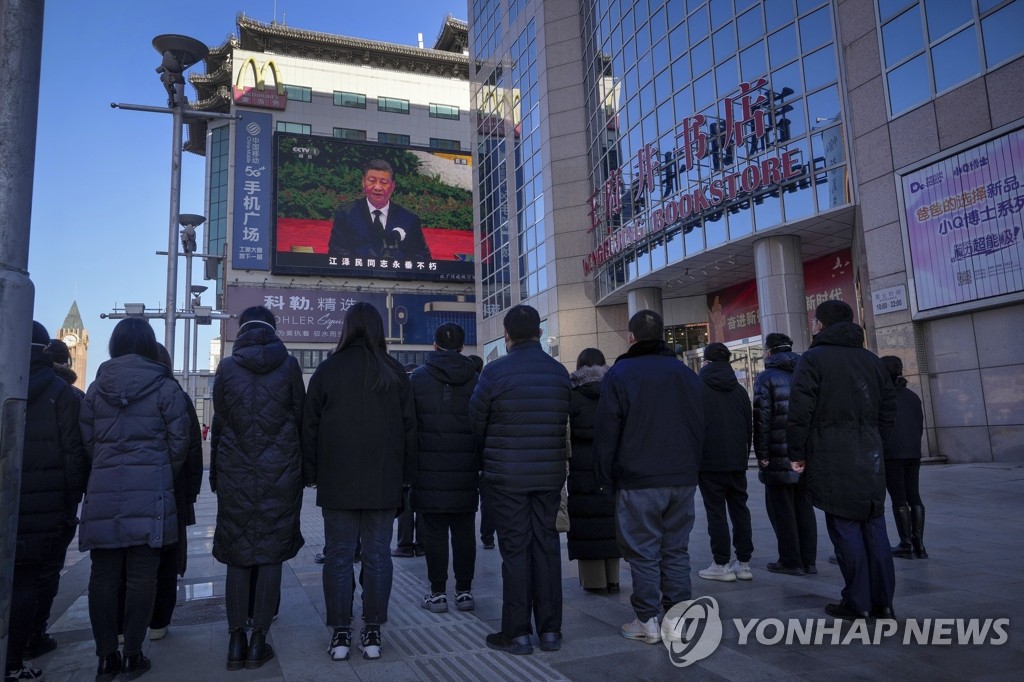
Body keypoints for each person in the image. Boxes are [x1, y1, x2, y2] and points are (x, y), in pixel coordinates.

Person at [78, 318, 191, 681]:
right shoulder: (165, 387)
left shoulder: (95, 389)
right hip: (151, 491)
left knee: (104, 574)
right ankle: (133, 655)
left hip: (103, 492)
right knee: (143, 575)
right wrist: (158, 472)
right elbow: (180, 443)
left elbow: (88, 443)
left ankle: (105, 656)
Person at [303, 302, 416, 662]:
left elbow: (310, 427)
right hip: (384, 483)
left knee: (338, 556)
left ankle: (340, 632)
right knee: (378, 556)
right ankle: (372, 630)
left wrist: (311, 473)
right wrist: (406, 479)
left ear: (347, 328)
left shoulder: (328, 370)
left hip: (337, 482)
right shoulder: (395, 372)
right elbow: (410, 432)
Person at [594, 309, 704, 645]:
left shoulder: (621, 373)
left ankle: (647, 620)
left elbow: (608, 430)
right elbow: (700, 424)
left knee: (642, 551)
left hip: (639, 478)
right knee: (675, 550)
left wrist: (604, 477)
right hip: (682, 477)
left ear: (632, 336)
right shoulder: (685, 373)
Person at [470, 305, 571, 655]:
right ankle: (551, 631)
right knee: (546, 547)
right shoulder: (559, 373)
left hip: (507, 475)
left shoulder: (495, 373)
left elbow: (475, 423)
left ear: (507, 334)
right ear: (539, 333)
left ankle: (517, 633)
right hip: (549, 475)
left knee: (515, 550)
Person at [787, 300, 897, 621]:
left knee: (845, 525)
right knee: (874, 525)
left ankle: (858, 601)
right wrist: (875, 442)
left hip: (831, 456)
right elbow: (889, 409)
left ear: (822, 324)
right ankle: (884, 602)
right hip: (870, 456)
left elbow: (799, 412)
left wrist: (797, 453)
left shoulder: (813, 360)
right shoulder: (872, 361)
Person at [210, 306, 305, 670]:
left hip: (235, 471)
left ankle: (235, 639)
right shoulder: (289, 366)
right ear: (273, 328)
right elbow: (299, 419)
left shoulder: (227, 369)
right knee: (270, 552)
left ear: (242, 329)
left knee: (238, 552)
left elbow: (219, 425)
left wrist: (216, 475)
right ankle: (259, 640)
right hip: (280, 472)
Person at [5, 324, 88, 682]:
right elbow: (75, 454)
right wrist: (71, 504)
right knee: (31, 580)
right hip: (48, 506)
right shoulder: (64, 394)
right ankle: (23, 649)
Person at [409, 323, 480, 613]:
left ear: (434, 345)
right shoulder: (476, 379)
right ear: (463, 347)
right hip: (465, 468)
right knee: (464, 531)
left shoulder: (417, 379)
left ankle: (437, 593)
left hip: (428, 469)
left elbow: (409, 427)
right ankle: (464, 592)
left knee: (434, 531)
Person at [753, 333, 817, 576]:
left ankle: (791, 560)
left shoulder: (766, 377)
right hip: (805, 453)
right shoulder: (806, 372)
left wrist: (763, 454)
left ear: (769, 351)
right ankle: (809, 560)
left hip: (778, 453)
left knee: (782, 509)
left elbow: (762, 419)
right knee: (804, 506)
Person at [697, 343, 755, 583]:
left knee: (716, 511)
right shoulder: (739, 390)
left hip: (709, 462)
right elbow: (748, 425)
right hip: (736, 461)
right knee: (740, 508)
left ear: (707, 362)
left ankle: (721, 563)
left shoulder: (698, 388)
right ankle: (744, 563)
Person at [566, 348, 621, 594]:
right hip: (611, 464)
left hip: (582, 467)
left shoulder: (573, 396)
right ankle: (613, 578)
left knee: (587, 522)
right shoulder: (615, 392)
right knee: (611, 521)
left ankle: (594, 580)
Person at [327, 158, 430, 262]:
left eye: (384, 182)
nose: (377, 187)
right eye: (372, 181)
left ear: (393, 185)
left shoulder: (408, 218)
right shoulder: (346, 213)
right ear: (363, 182)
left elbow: (421, 255)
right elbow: (337, 252)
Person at [880, 355, 927, 560]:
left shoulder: (882, 397)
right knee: (914, 496)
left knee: (899, 498)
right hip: (913, 452)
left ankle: (906, 544)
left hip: (893, 454)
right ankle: (919, 545)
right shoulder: (911, 396)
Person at [468, 355, 495, 550]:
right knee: (488, 500)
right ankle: (487, 536)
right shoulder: (486, 385)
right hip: (487, 455)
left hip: (467, 454)